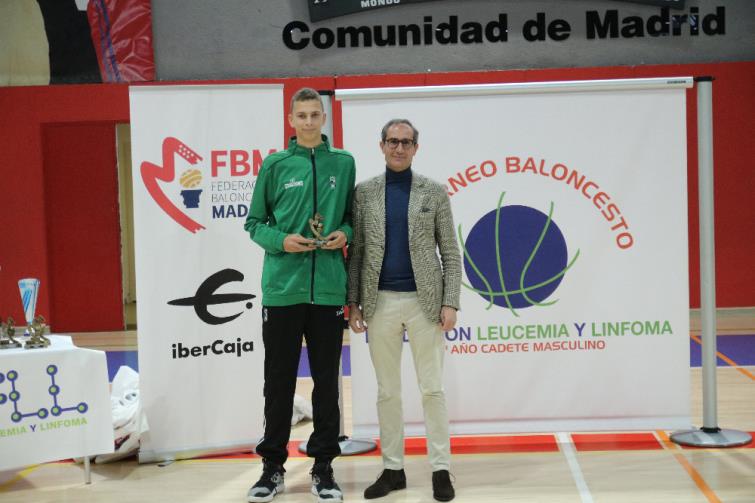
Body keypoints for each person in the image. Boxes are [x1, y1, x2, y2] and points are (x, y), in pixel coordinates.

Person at [244, 87, 355, 503]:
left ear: (324, 118)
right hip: (283, 290)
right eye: (302, 115)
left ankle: (323, 467)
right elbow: (254, 223)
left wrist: (345, 234)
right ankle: (272, 467)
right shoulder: (274, 165)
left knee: (328, 382)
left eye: (315, 115)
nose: (309, 122)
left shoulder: (343, 163)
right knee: (279, 382)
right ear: (291, 120)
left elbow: (350, 219)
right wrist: (281, 241)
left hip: (327, 291)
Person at [347, 119, 461, 502]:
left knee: (432, 389)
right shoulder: (364, 194)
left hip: (424, 302)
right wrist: (352, 302)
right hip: (378, 302)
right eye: (392, 141)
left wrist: (450, 300)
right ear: (381, 146)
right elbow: (358, 252)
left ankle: (441, 468)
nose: (399, 148)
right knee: (387, 392)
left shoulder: (434, 192)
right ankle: (393, 469)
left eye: (406, 142)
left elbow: (450, 251)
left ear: (416, 148)